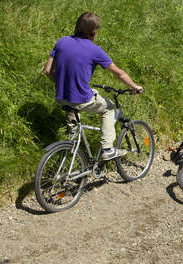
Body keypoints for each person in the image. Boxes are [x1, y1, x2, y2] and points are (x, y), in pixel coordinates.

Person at [43, 12, 143, 161]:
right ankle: (107, 149)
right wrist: (135, 86)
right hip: (80, 97)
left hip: (61, 96)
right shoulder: (94, 50)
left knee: (73, 117)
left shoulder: (62, 42)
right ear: (93, 32)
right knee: (109, 108)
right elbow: (119, 73)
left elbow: (47, 70)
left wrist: (62, 84)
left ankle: (72, 154)